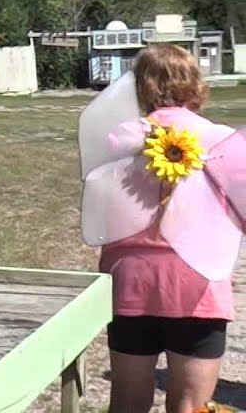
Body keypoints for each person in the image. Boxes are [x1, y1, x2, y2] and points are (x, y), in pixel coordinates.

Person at [97, 45, 237, 413]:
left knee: (127, 402)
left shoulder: (118, 139)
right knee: (192, 406)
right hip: (198, 283)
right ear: (194, 83)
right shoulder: (223, 140)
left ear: (139, 87)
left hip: (130, 282)